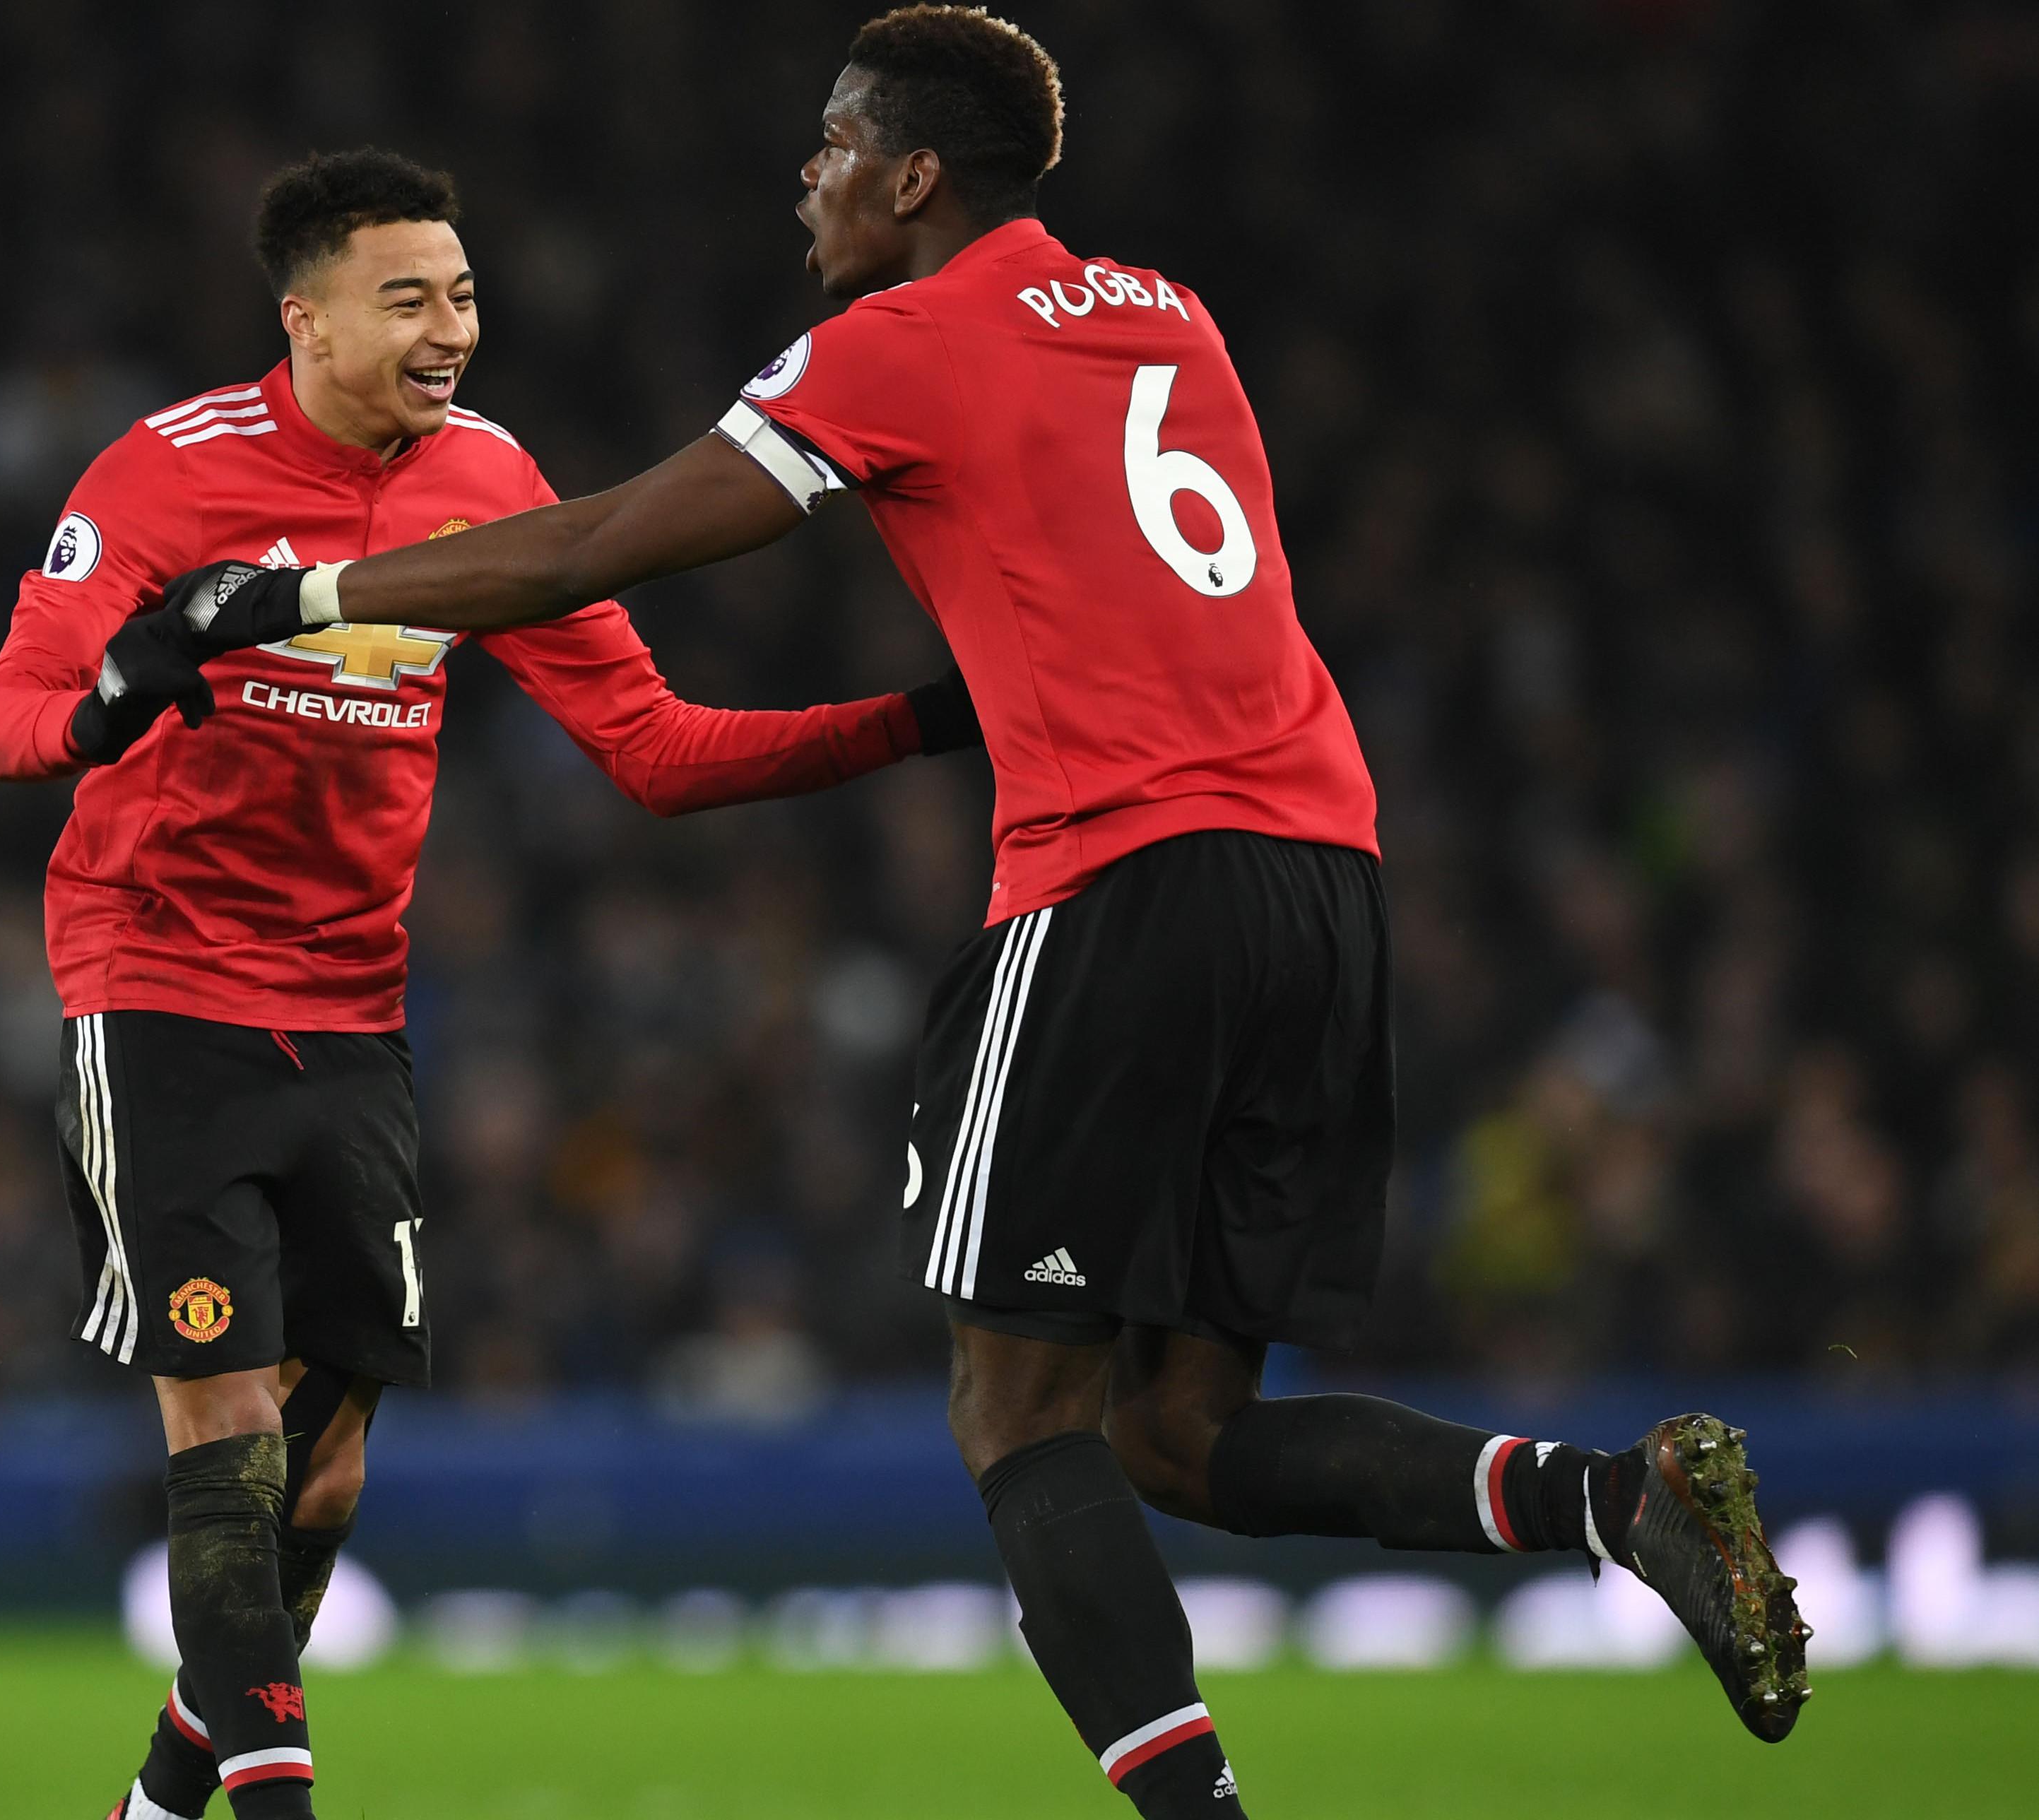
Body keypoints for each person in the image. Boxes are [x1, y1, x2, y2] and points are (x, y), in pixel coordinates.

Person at [140, 11, 1810, 1815]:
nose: (810, 177)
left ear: (915, 175)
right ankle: (1613, 1500)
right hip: (1326, 880)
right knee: (1183, 1432)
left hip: (1123, 881)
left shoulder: (902, 342)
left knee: (1018, 1419)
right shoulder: (1172, 311)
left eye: (835, 146)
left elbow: (588, 546)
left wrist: (295, 593)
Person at [0, 148, 972, 1820]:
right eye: (410, 299)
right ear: (308, 320)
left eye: (466, 295)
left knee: (330, 1468)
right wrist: (105, 708)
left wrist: (925, 719)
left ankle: (155, 1807)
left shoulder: (491, 476)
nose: (453, 330)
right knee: (225, 1435)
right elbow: (0, 717)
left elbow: (655, 750)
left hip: (355, 1009)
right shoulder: (161, 474)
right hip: (156, 981)